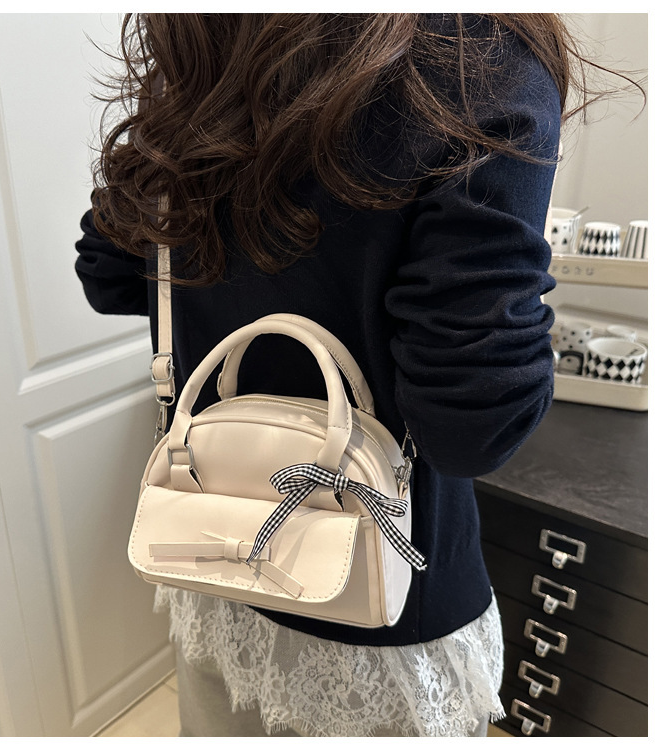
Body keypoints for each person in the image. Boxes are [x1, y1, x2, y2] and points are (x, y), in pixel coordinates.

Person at [74, 14, 633, 737]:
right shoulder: (474, 59)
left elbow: (108, 275)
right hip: (383, 609)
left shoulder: (199, 55)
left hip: (217, 555)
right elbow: (472, 424)